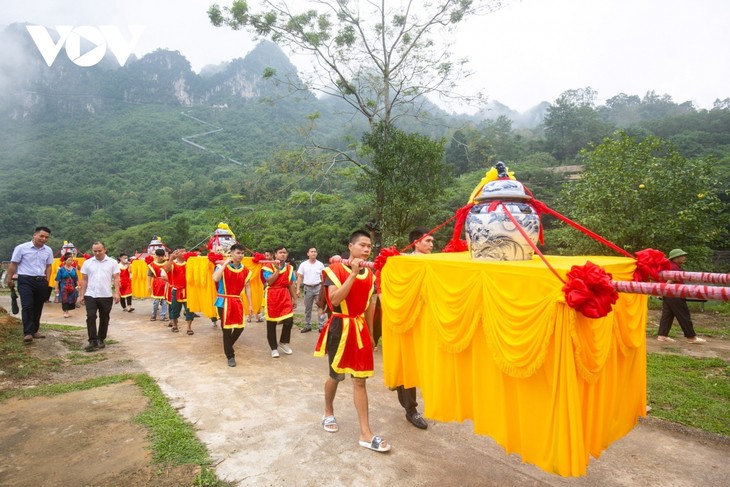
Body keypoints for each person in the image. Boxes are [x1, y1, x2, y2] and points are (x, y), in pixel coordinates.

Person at [314, 230, 391, 453]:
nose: (367, 250)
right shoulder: (332, 270)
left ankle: (365, 433)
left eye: (370, 247)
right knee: (335, 376)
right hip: (339, 326)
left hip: (358, 329)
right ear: (351, 246)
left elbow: (369, 306)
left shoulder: (371, 275)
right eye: (363, 245)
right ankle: (328, 411)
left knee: (360, 381)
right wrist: (352, 274)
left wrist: (370, 334)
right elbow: (335, 299)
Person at [393, 227, 433, 430]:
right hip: (409, 319)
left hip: (430, 319)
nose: (431, 245)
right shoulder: (402, 261)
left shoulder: (436, 263)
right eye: (428, 241)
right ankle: (411, 409)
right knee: (408, 364)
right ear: (416, 243)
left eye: (433, 242)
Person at [6, 226, 54, 343]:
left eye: (46, 237)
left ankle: (35, 330)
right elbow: (13, 264)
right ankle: (27, 332)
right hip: (25, 280)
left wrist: (47, 280)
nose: (43, 239)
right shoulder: (21, 248)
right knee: (27, 306)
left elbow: (49, 266)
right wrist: (9, 278)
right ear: (35, 235)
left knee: (38, 306)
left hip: (41, 281)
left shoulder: (48, 250)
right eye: (41, 236)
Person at [213, 243, 254, 367]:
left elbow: (248, 287)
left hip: (236, 301)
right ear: (231, 253)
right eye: (238, 253)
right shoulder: (221, 266)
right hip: (223, 301)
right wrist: (225, 264)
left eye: (242, 253)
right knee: (226, 330)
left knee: (240, 327)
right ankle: (230, 356)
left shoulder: (245, 270)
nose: (240, 255)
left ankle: (228, 345)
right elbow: (215, 278)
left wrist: (250, 305)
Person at [657, 248, 707, 344]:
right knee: (684, 315)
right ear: (675, 258)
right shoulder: (674, 267)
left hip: (669, 295)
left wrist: (663, 293)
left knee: (667, 315)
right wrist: (662, 291)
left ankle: (662, 336)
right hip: (675, 294)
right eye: (681, 256)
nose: (684, 257)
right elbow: (670, 280)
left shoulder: (672, 266)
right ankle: (691, 337)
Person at [79, 241, 121, 352]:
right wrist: (81, 294)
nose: (97, 253)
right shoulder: (87, 263)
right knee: (91, 316)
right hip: (91, 294)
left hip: (106, 294)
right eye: (95, 251)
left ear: (104, 250)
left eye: (99, 251)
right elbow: (84, 279)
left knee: (104, 317)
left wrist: (117, 292)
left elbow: (116, 278)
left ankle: (101, 338)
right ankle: (92, 340)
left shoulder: (112, 262)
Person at [262, 245, 297, 357]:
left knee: (289, 321)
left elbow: (291, 284)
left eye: (285, 253)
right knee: (271, 323)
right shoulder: (268, 266)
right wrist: (277, 270)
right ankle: (273, 348)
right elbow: (269, 281)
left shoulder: (289, 268)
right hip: (272, 295)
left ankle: (283, 342)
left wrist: (294, 298)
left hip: (284, 295)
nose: (283, 254)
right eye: (280, 252)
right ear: (275, 254)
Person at [164, 248, 195, 335]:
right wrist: (170, 259)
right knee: (174, 310)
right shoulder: (173, 264)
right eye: (181, 251)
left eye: (184, 251)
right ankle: (174, 325)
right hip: (176, 290)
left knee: (189, 310)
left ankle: (189, 327)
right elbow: (167, 269)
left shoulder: (189, 263)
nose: (183, 253)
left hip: (188, 290)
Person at [297, 247, 326, 333]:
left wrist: (324, 290)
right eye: (311, 251)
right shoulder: (303, 264)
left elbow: (323, 277)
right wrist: (298, 289)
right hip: (307, 288)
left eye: (315, 252)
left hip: (318, 287)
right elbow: (300, 277)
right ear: (308, 253)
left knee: (320, 307)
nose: (313, 253)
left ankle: (321, 326)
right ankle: (307, 325)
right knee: (307, 308)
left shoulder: (320, 264)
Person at [55, 252, 79, 318]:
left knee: (71, 298)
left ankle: (68, 310)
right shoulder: (61, 270)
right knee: (65, 299)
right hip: (64, 287)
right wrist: (56, 288)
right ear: (65, 261)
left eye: (71, 260)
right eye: (69, 260)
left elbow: (76, 278)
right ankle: (65, 311)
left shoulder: (74, 269)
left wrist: (78, 285)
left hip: (72, 286)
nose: (70, 261)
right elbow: (57, 279)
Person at [147, 248, 169, 322]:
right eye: (159, 256)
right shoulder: (152, 265)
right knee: (156, 300)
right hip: (156, 283)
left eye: (162, 256)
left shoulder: (167, 263)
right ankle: (153, 315)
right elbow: (149, 275)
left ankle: (163, 315)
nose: (160, 257)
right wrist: (149, 285)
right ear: (156, 255)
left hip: (166, 283)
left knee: (165, 300)